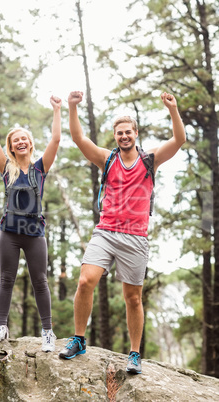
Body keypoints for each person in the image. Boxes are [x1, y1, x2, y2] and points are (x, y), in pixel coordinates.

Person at [59, 91, 186, 372]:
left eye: (128, 132)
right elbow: (79, 139)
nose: (124, 136)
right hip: (105, 232)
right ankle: (79, 339)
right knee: (84, 281)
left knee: (133, 298)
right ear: (115, 136)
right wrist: (71, 107)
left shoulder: (150, 159)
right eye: (119, 133)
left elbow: (179, 140)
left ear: (136, 133)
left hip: (135, 237)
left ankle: (134, 354)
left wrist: (173, 109)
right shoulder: (107, 159)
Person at [0, 94, 62, 352]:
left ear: (30, 144)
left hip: (35, 232)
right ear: (12, 148)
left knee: (40, 281)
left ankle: (48, 332)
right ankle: (1, 327)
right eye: (16, 141)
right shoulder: (6, 168)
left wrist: (57, 110)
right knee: (6, 279)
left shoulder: (40, 168)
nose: (21, 142)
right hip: (9, 233)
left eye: (24, 138)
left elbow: (57, 139)